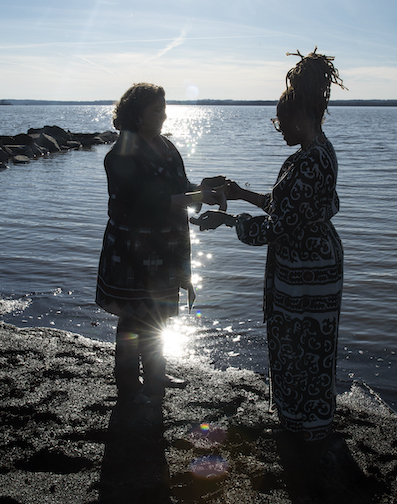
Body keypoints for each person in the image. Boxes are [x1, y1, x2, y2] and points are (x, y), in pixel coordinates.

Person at [191, 49, 346, 441]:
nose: (278, 128)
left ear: (300, 117)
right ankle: (301, 423)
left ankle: (307, 429)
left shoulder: (312, 162)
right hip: (305, 265)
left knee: (304, 348)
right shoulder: (310, 154)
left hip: (307, 272)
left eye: (280, 121)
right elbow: (286, 207)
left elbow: (276, 228)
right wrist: (241, 193)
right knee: (300, 346)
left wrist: (226, 220)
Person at [96, 82, 226, 403]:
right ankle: (128, 385)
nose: (164, 115)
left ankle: (155, 372)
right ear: (137, 114)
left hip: (165, 248)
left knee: (159, 314)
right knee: (134, 315)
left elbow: (177, 186)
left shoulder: (166, 146)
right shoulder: (121, 152)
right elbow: (144, 201)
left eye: (164, 108)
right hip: (131, 250)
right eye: (157, 109)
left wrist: (203, 189)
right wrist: (195, 195)